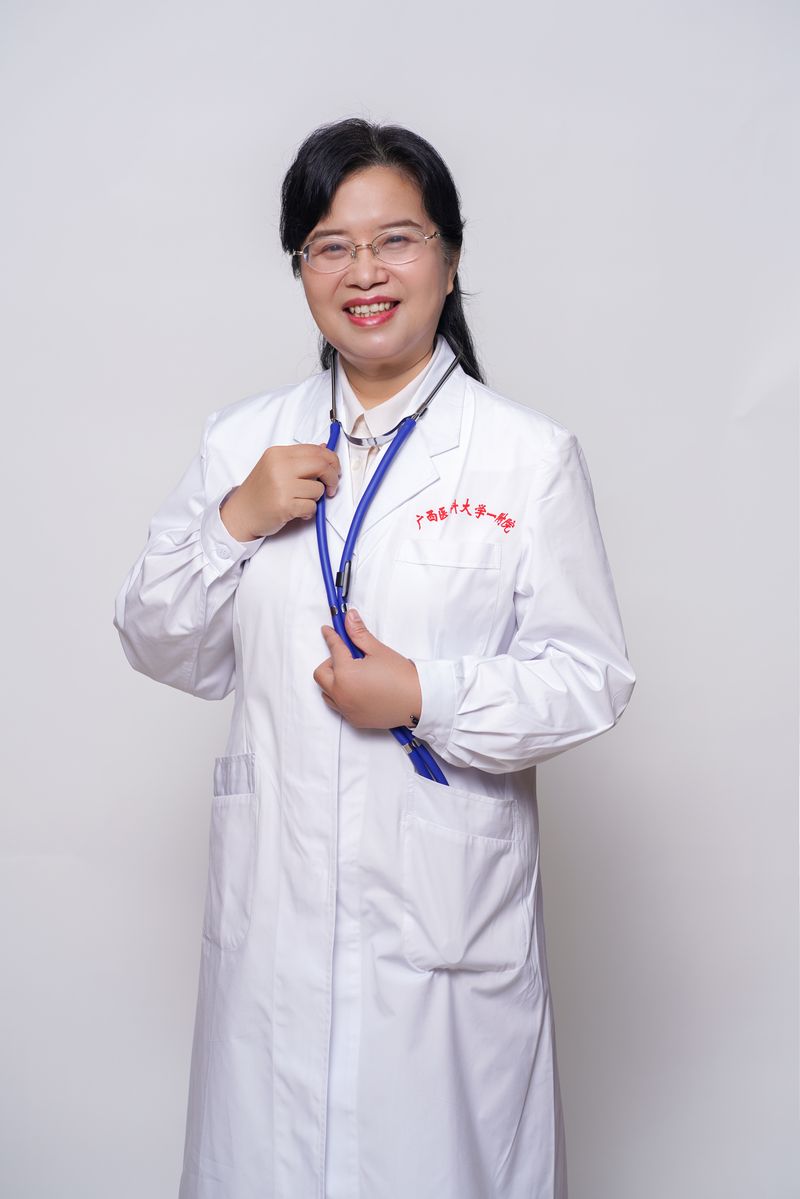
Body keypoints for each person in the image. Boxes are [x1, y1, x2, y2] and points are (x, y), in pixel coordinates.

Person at [114, 118, 635, 1199]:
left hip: (440, 936)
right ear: (299, 267)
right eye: (330, 245)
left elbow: (589, 678)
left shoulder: (524, 456)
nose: (364, 272)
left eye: (396, 239)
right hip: (275, 926)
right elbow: (158, 639)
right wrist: (234, 518)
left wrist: (424, 692)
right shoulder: (241, 442)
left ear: (449, 255)